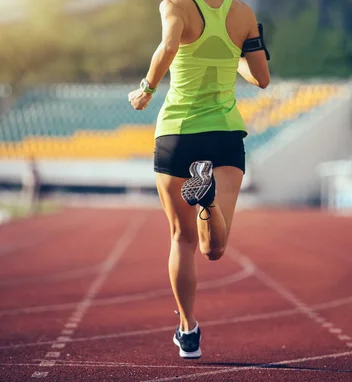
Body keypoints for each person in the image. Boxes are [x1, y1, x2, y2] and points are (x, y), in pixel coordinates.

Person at [128, 0, 270, 359]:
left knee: (182, 239)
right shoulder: (243, 14)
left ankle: (188, 329)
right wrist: (231, 54)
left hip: (178, 133)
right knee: (214, 249)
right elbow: (262, 78)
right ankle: (206, 200)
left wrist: (146, 88)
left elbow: (170, 45)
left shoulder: (175, 5)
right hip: (224, 136)